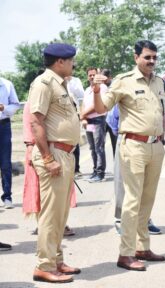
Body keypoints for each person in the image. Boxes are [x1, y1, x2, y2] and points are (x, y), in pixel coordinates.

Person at [91, 40, 165, 271]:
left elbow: (161, 113)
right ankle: (125, 253)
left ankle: (142, 247)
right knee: (132, 201)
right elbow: (102, 108)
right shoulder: (124, 81)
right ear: (136, 58)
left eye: (154, 57)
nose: (151, 61)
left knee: (147, 199)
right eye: (147, 57)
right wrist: (96, 91)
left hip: (155, 146)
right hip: (134, 146)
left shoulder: (159, 82)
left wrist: (162, 140)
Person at [27, 43, 81, 283]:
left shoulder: (61, 84)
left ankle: (56, 260)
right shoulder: (43, 84)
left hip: (65, 153)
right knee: (50, 215)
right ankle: (44, 265)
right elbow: (36, 122)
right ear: (60, 62)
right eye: (70, 60)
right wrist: (48, 159)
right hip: (53, 153)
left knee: (60, 213)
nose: (73, 64)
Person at [106, 103, 162, 236]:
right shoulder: (124, 86)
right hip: (128, 140)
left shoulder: (155, 86)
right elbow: (112, 118)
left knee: (146, 185)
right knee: (122, 182)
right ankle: (120, 219)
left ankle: (144, 221)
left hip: (150, 143)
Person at [23, 100, 77, 237]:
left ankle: (60, 224)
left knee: (59, 192)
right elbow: (31, 124)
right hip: (40, 150)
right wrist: (30, 147)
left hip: (61, 149)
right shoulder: (35, 99)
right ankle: (42, 224)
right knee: (39, 190)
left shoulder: (60, 96)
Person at [80, 67, 108, 182]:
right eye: (90, 75)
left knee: (99, 148)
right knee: (92, 148)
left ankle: (100, 173)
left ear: (97, 75)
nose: (92, 77)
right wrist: (83, 118)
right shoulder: (87, 90)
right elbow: (84, 104)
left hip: (98, 120)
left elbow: (96, 106)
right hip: (89, 122)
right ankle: (95, 170)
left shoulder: (102, 88)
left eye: (94, 75)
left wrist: (82, 115)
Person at [0, 76, 20, 208]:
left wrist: (4, 108)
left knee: (5, 163)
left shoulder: (7, 84)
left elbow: (16, 104)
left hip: (3, 126)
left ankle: (7, 196)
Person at [64, 75, 85, 178]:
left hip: (74, 112)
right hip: (62, 114)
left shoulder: (76, 80)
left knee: (74, 141)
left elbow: (81, 94)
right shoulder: (56, 79)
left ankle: (76, 168)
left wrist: (70, 82)